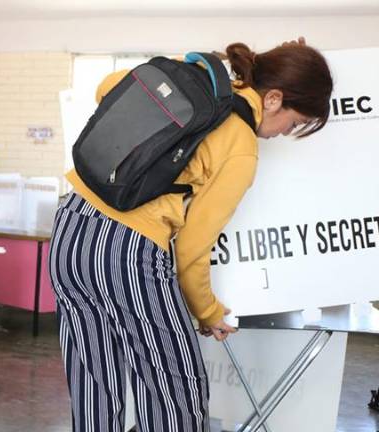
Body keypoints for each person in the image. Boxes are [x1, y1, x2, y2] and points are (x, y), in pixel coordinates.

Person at [48, 37, 333, 432]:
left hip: (69, 231)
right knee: (176, 394)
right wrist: (208, 312)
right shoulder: (240, 144)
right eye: (295, 122)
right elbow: (192, 249)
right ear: (273, 99)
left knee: (95, 383)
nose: (285, 133)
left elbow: (106, 88)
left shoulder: (198, 75)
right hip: (127, 253)